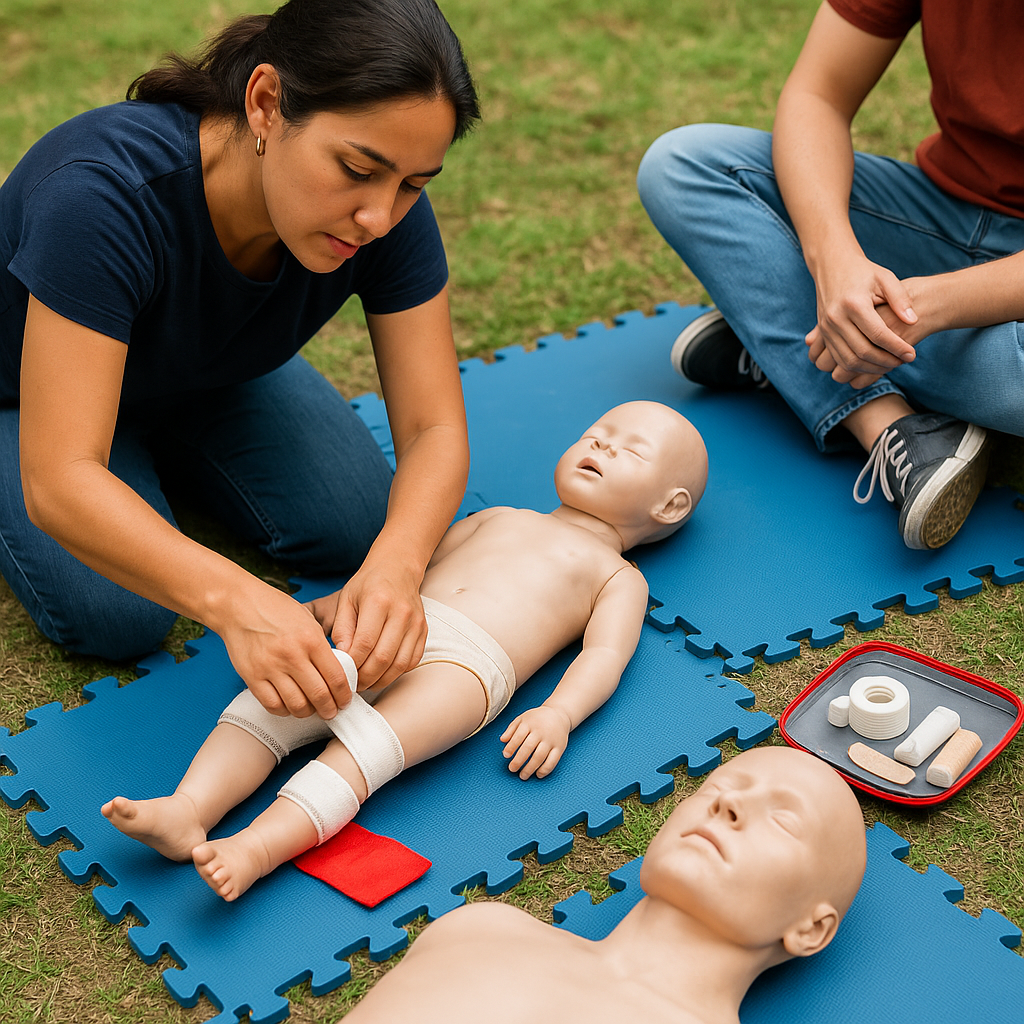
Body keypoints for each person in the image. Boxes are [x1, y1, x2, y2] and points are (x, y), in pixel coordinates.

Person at [0, 0, 479, 725]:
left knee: (364, 524)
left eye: (414, 183)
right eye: (357, 168)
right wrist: (237, 602)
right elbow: (61, 480)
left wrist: (397, 566)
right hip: (21, 395)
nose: (380, 216)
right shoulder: (100, 196)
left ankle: (161, 461)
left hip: (211, 379)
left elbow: (433, 426)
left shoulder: (384, 213)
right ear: (265, 103)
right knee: (120, 613)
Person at [101, 401, 709, 901]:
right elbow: (405, 570)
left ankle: (258, 848)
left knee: (365, 752)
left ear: (670, 505)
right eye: (595, 434)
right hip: (402, 625)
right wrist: (345, 600)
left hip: (467, 668)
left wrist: (559, 714)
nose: (600, 447)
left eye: (628, 450)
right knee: (283, 700)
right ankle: (188, 807)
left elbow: (603, 657)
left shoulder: (617, 577)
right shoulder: (497, 515)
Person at [637, 0, 1024, 551]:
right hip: (943, 215)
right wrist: (835, 259)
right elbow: (817, 95)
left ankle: (783, 338)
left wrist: (935, 303)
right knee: (682, 166)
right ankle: (888, 421)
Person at [342, 745, 867, 1024]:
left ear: (811, 929)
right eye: (719, 787)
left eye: (783, 821)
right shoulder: (479, 927)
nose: (727, 803)